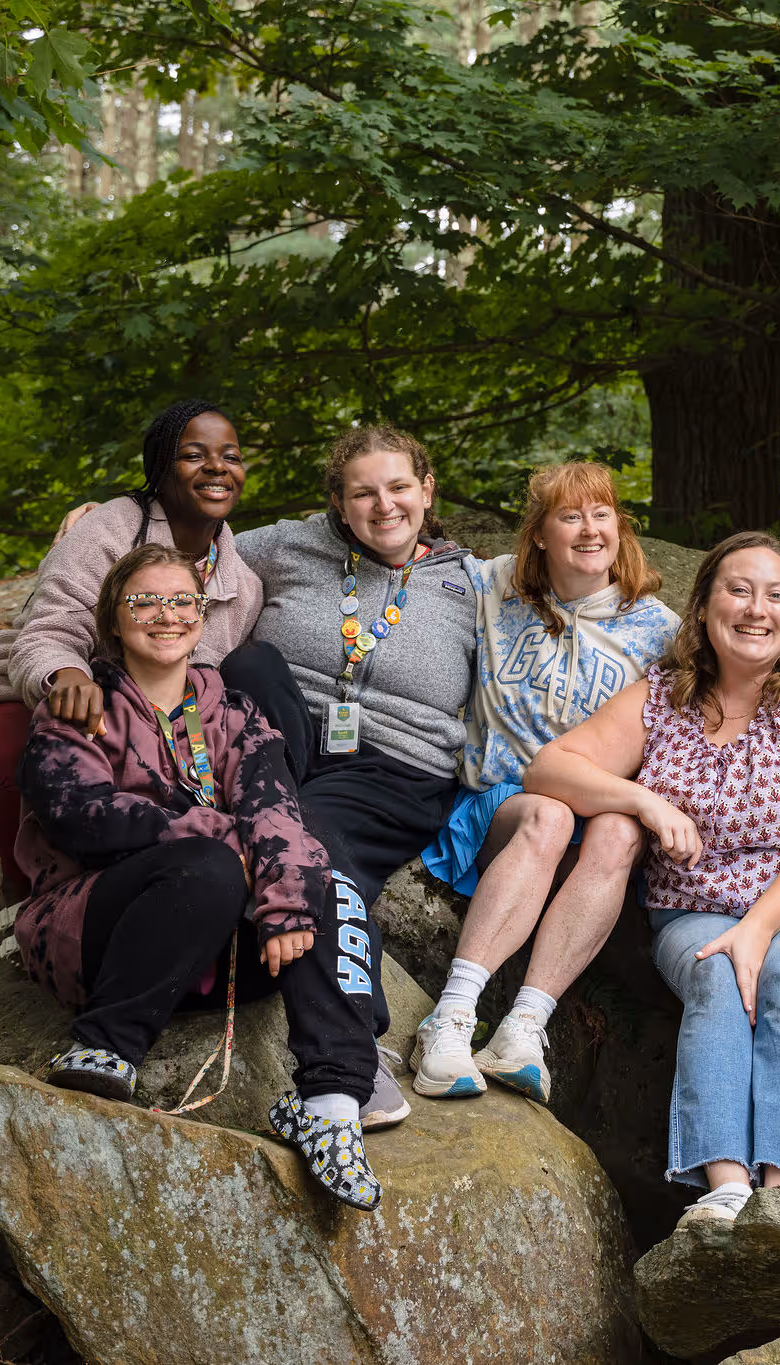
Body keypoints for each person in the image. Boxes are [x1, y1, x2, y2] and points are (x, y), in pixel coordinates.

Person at [14, 544, 383, 1210]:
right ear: (113, 619)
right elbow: (82, 817)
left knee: (315, 874)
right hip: (104, 933)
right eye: (145, 601)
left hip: (225, 958)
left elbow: (274, 807)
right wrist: (218, 833)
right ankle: (108, 1045)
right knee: (212, 864)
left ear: (201, 614)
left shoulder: (235, 712)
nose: (166, 614)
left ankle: (331, 1104)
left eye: (182, 600)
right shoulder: (75, 710)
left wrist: (286, 901)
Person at [524, 531, 780, 1228]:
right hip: (692, 910)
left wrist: (760, 928)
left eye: (776, 595)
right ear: (706, 603)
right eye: (738, 590)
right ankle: (725, 1186)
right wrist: (643, 800)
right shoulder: (664, 695)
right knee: (716, 972)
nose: (756, 609)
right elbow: (550, 767)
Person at [220, 425, 478, 1131]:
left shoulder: (474, 581)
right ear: (338, 501)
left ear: (427, 490)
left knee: (308, 849)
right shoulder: (287, 543)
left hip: (396, 771)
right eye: (363, 491)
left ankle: (352, 1068)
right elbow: (182, 552)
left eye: (399, 486)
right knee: (248, 668)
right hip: (289, 745)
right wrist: (105, 521)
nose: (384, 504)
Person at [411, 462, 679, 1103]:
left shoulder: (659, 629)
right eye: (569, 516)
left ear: (621, 527)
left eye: (602, 514)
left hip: (597, 813)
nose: (590, 530)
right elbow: (404, 552)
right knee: (549, 816)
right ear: (538, 533)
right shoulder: (496, 584)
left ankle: (523, 1028)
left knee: (618, 830)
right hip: (502, 804)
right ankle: (448, 1021)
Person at [0, 400, 260, 905]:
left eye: (232, 456)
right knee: (54, 734)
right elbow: (50, 625)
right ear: (160, 468)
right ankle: (20, 891)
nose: (218, 466)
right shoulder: (109, 529)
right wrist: (65, 673)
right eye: (194, 455)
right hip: (15, 707)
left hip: (137, 728)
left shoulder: (241, 582)